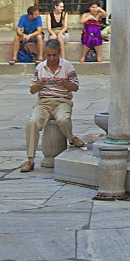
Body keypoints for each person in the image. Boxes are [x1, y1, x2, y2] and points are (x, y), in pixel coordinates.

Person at [21, 38, 85, 172]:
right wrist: (40, 84)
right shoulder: (40, 67)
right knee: (32, 123)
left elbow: (75, 87)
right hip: (44, 102)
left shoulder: (67, 66)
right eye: (48, 55)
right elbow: (32, 90)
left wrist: (64, 83)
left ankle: (71, 138)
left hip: (62, 101)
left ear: (59, 53)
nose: (51, 58)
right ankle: (30, 160)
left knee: (63, 119)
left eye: (54, 55)